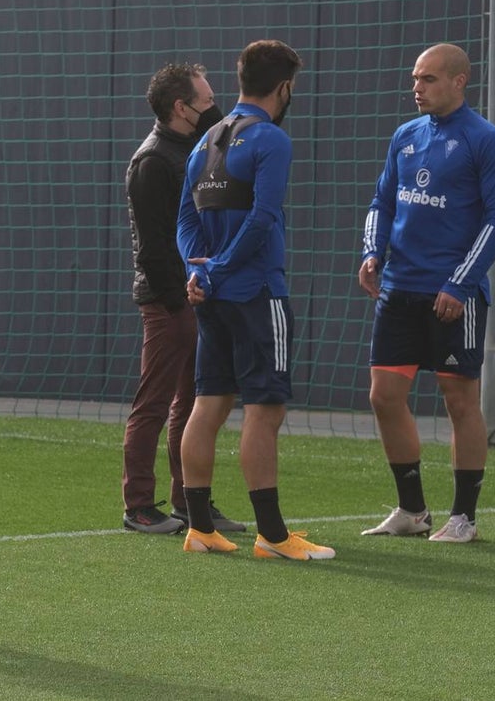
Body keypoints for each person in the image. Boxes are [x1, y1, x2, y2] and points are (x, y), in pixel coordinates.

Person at [176, 40, 335, 560]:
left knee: (208, 404)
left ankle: (199, 528)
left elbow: (184, 220)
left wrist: (197, 270)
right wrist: (218, 268)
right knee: (264, 411)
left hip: (213, 297)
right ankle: (272, 535)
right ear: (284, 87)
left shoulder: (206, 140)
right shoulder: (270, 138)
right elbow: (263, 217)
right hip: (259, 293)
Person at [359, 43, 495, 543]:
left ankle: (463, 517)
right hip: (399, 289)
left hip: (454, 295)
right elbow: (382, 200)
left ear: (459, 81)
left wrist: (459, 282)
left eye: (427, 79)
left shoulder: (486, 140)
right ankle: (412, 511)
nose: (417, 88)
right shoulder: (406, 135)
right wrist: (371, 251)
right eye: (414, 79)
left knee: (459, 401)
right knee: (384, 397)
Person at [121, 63, 246, 535]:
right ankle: (138, 507)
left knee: (193, 402)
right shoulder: (153, 161)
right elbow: (153, 247)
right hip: (170, 301)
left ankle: (190, 500)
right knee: (155, 402)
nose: (215, 105)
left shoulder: (195, 148)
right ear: (181, 108)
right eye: (206, 98)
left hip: (197, 296)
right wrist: (180, 301)